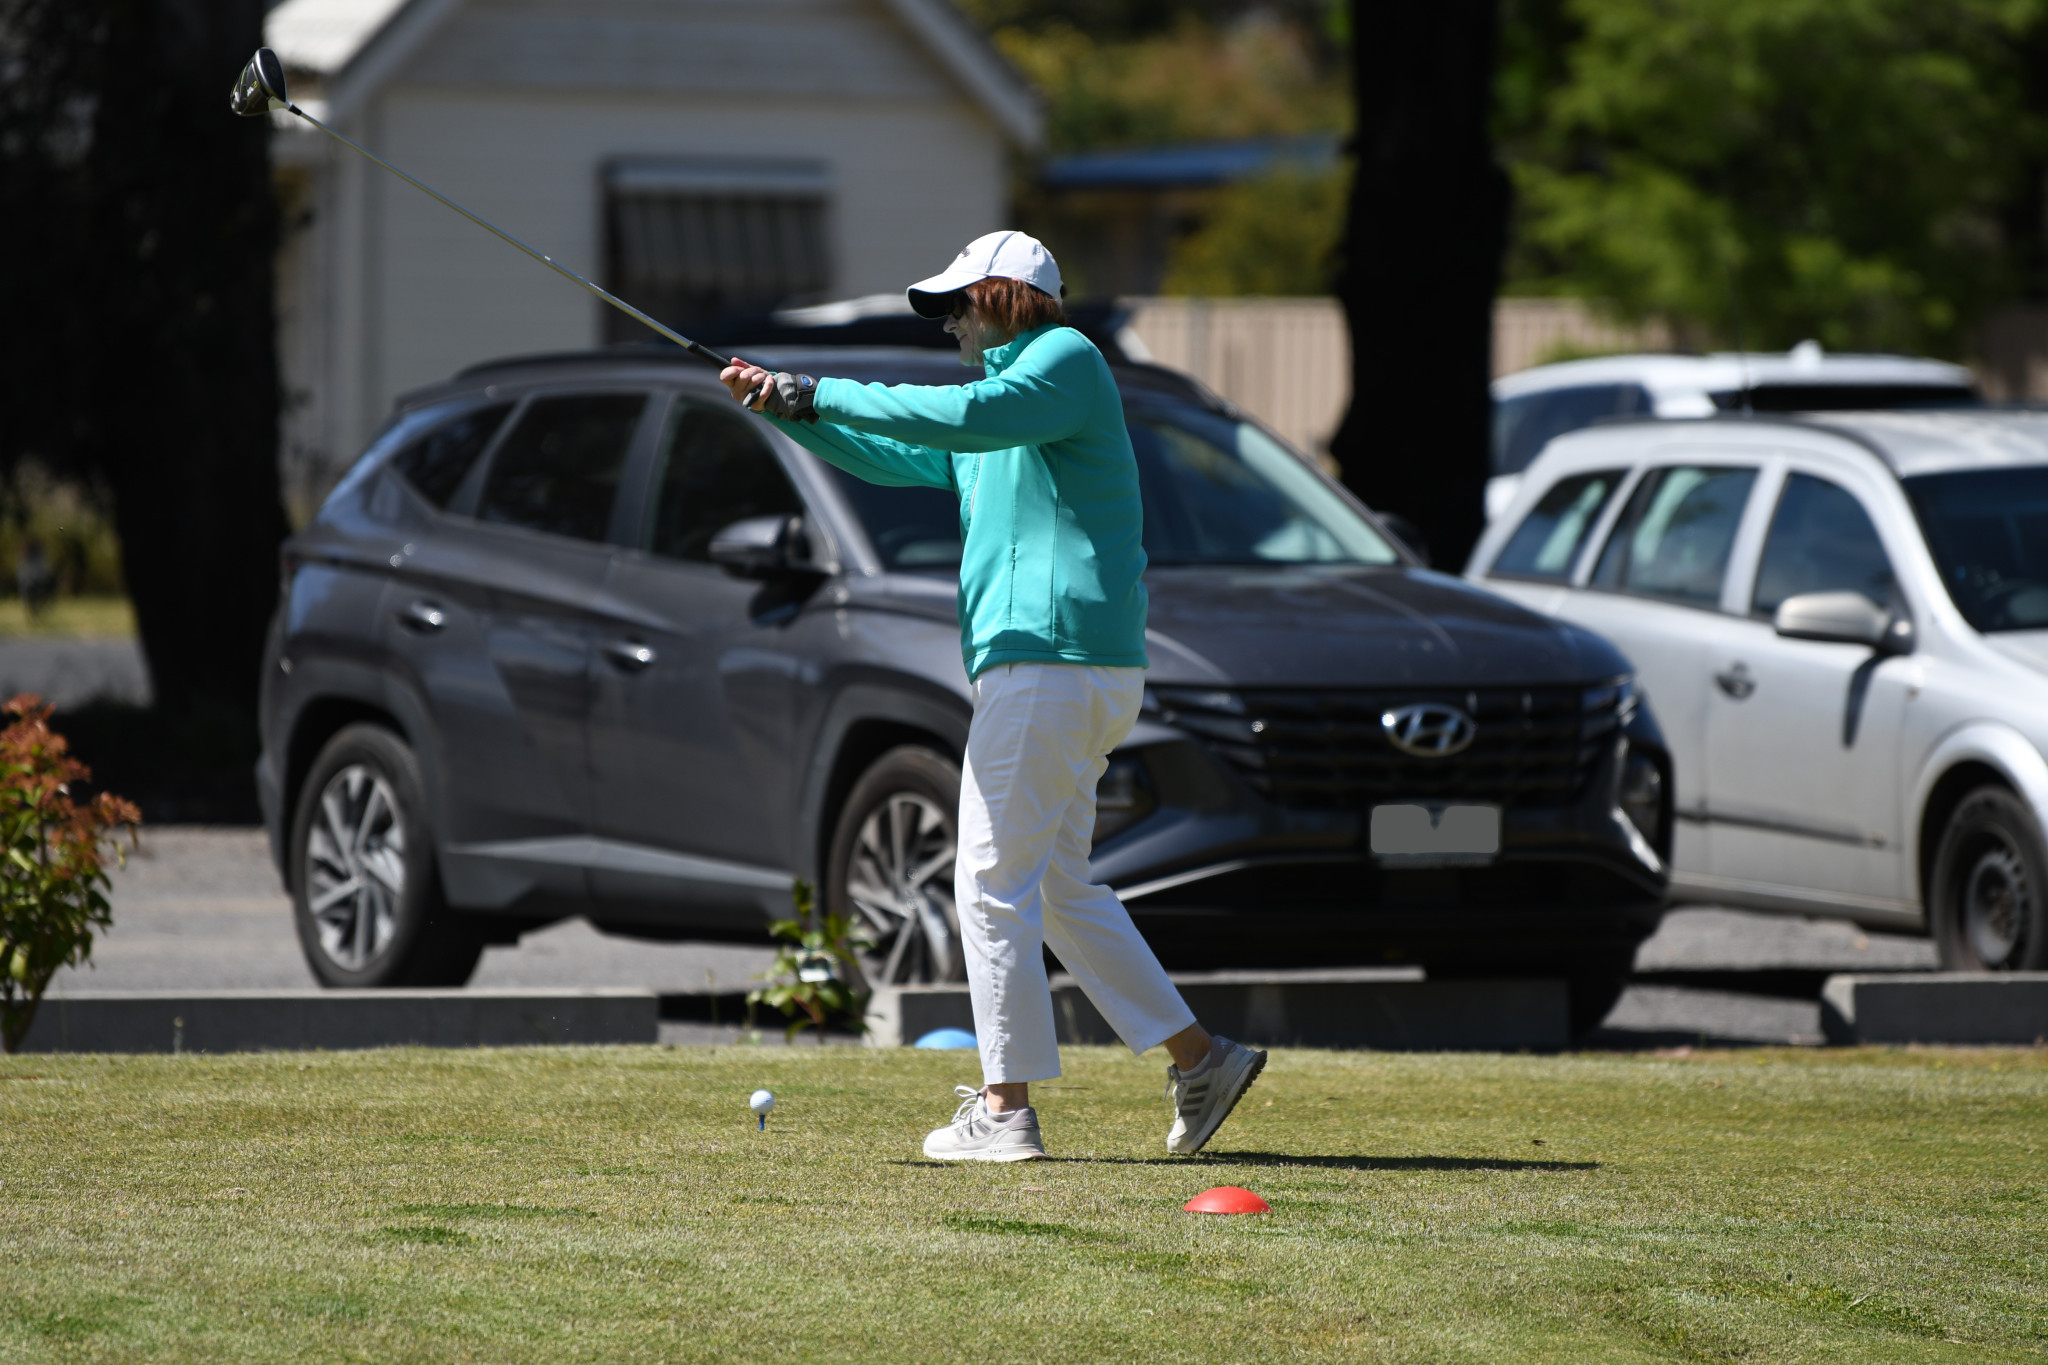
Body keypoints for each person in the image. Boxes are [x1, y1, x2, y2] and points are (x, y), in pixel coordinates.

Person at [720, 231, 1265, 1161]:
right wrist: (785, 409)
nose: (951, 322)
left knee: (988, 878)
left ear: (1005, 296)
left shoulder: (1063, 363)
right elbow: (902, 449)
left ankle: (1005, 1111)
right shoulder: (1001, 411)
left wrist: (817, 386)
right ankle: (1202, 1057)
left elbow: (966, 416)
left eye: (958, 304)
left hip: (1048, 663)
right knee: (1058, 886)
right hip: (1067, 669)